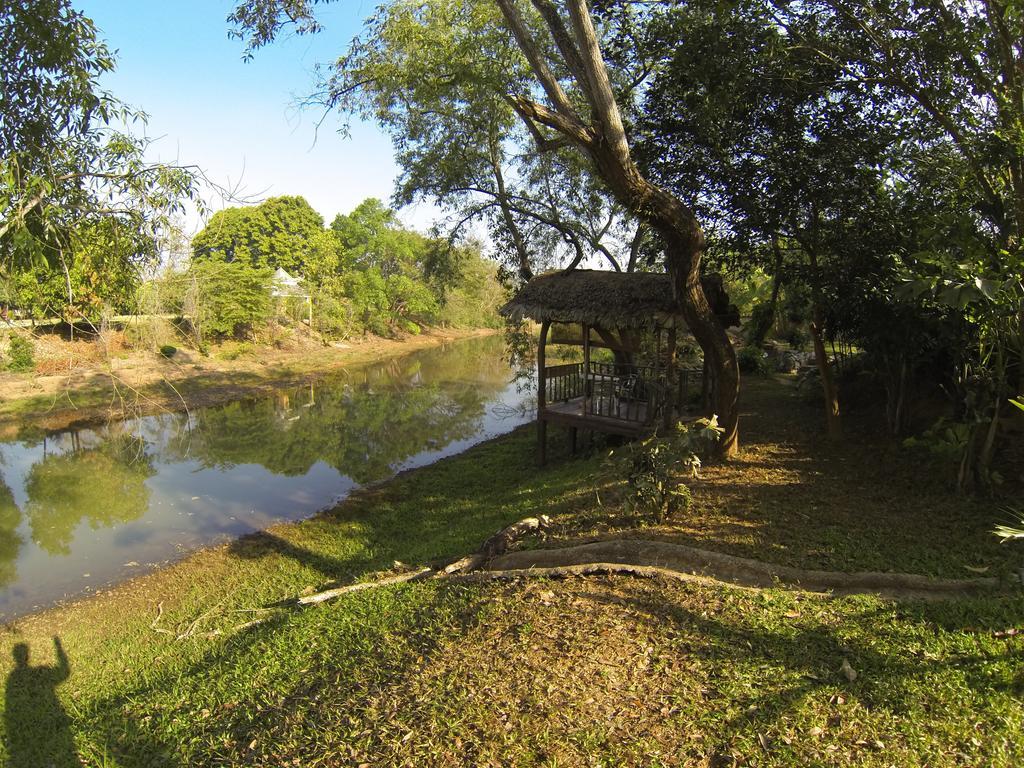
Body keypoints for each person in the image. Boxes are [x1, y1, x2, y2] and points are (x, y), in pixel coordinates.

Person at [4, 637, 77, 767]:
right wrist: (58, 646)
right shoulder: (23, 676)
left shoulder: (12, 678)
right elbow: (64, 672)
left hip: (29, 729)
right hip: (43, 726)